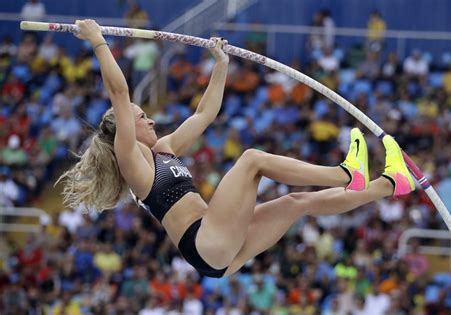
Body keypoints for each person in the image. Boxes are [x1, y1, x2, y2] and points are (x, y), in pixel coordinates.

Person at [57, 20, 415, 278]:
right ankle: (343, 174)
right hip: (205, 242)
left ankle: (389, 183)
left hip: (217, 248)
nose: (150, 121)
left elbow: (205, 113)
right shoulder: (132, 161)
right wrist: (98, 41)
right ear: (124, 130)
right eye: (141, 117)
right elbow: (119, 93)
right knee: (252, 160)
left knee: (296, 203)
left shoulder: (164, 148)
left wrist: (221, 64)